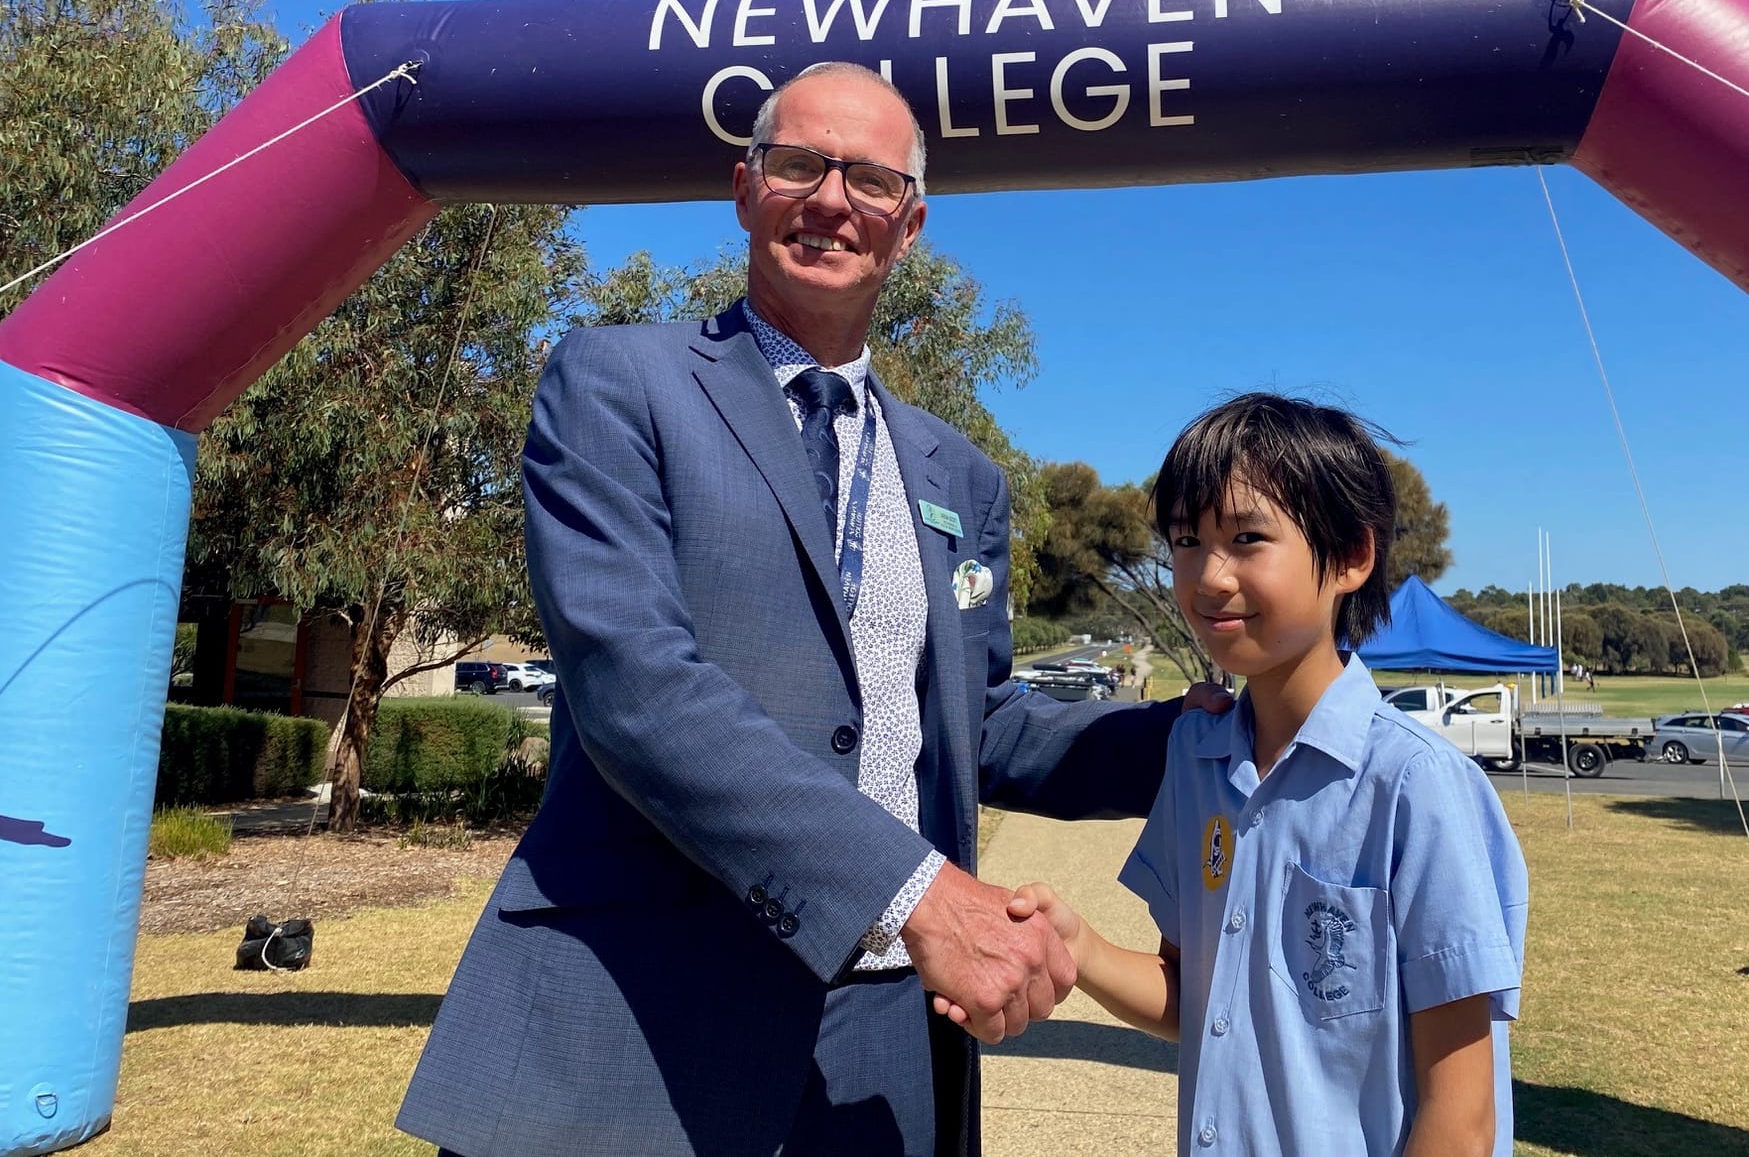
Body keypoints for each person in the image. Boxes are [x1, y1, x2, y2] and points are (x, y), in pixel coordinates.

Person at [396, 63, 1226, 1157]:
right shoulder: (615, 384)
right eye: (799, 164)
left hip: (887, 1038)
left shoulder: (960, 475)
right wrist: (915, 893)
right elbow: (636, 688)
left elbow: (983, 729)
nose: (831, 201)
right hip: (637, 1013)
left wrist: (1215, 728)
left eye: (871, 181)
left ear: (909, 223)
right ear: (745, 189)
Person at [1005, 394, 1528, 1156]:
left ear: (1351, 556)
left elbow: (1463, 1116)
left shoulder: (1416, 787)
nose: (1209, 576)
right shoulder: (1196, 759)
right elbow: (1195, 997)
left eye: (1248, 538)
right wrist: (1076, 943)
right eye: (1186, 540)